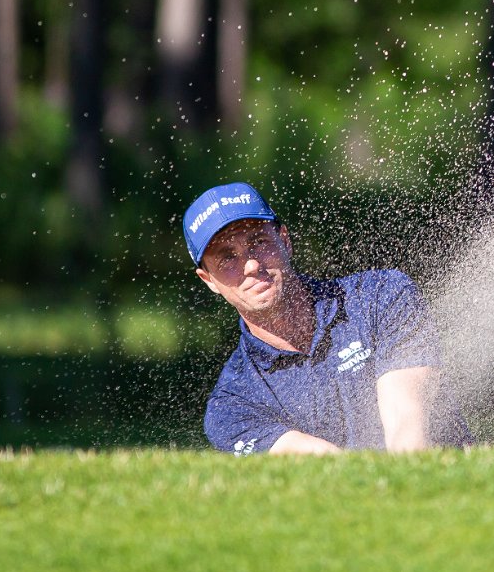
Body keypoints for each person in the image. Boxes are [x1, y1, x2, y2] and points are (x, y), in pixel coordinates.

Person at [185, 181, 471, 455]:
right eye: (226, 258)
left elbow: (408, 429)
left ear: (284, 239)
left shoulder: (381, 296)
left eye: (258, 241)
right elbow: (321, 462)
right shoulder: (232, 405)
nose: (250, 264)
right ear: (208, 279)